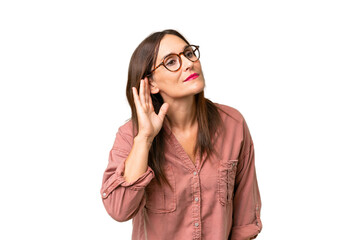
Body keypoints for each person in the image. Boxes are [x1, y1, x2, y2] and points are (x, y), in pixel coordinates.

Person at [100, 29, 262, 240]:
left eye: (188, 53)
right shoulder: (130, 136)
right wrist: (145, 139)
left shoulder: (233, 124)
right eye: (171, 62)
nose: (188, 64)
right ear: (152, 83)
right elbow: (119, 210)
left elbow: (244, 221)